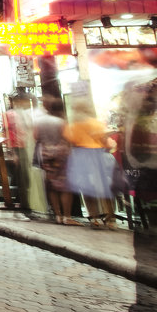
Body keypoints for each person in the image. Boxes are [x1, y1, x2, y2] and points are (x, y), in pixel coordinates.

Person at [63, 97, 118, 230]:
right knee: (104, 187)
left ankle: (94, 218)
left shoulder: (73, 126)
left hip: (81, 156)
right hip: (97, 156)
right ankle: (111, 218)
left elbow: (70, 142)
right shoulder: (96, 123)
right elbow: (108, 143)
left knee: (86, 187)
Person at [35, 96, 78, 226]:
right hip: (61, 155)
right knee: (65, 186)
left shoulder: (39, 121)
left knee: (51, 185)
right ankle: (67, 216)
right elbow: (68, 137)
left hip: (46, 154)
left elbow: (35, 136)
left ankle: (58, 215)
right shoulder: (60, 122)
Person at [4, 92, 36, 217]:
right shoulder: (9, 115)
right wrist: (11, 152)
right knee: (22, 178)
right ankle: (25, 204)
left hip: (28, 146)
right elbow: (7, 133)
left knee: (27, 177)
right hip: (18, 148)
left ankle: (28, 202)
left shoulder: (26, 114)